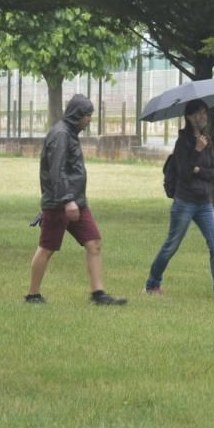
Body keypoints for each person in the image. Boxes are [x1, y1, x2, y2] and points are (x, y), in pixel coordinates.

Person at [26, 94, 126, 306]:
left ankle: (98, 294)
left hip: (77, 202)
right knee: (47, 248)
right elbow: (57, 171)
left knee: (94, 242)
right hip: (59, 203)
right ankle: (32, 295)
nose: (90, 120)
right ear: (77, 115)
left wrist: (75, 200)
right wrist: (67, 200)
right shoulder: (61, 135)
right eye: (87, 116)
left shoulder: (70, 133)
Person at [144, 99, 214, 299]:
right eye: (198, 113)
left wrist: (198, 167)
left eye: (204, 112)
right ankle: (153, 283)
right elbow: (185, 173)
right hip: (185, 202)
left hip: (205, 203)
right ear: (189, 117)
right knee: (171, 245)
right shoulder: (183, 143)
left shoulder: (208, 140)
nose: (202, 116)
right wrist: (196, 152)